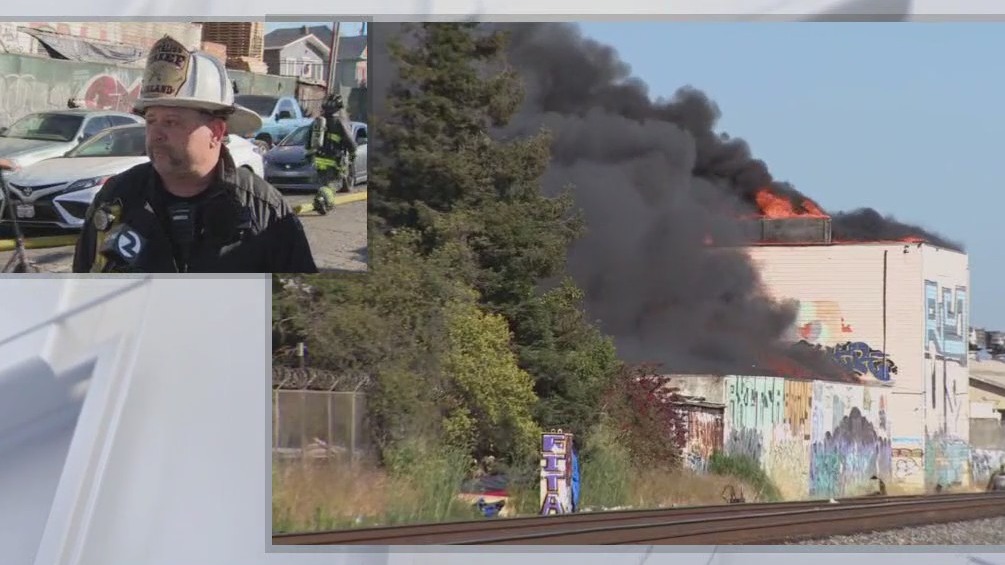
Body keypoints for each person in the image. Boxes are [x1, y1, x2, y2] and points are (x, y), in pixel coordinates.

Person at [72, 35, 318, 273]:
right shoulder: (117, 197)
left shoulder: (265, 210)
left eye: (171, 122)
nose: (155, 135)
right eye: (151, 121)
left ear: (216, 131)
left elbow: (298, 298)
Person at [306, 92, 357, 215]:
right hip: (333, 159)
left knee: (325, 183)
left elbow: (308, 141)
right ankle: (323, 200)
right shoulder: (339, 122)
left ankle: (323, 201)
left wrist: (310, 155)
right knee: (334, 184)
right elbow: (350, 142)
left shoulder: (317, 122)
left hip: (318, 159)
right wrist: (353, 153)